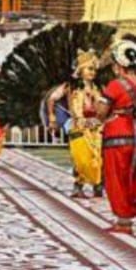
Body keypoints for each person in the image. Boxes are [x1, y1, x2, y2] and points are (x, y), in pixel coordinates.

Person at [48, 50, 103, 199]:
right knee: (81, 159)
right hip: (78, 126)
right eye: (89, 69)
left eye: (94, 69)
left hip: (95, 127)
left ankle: (98, 186)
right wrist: (52, 118)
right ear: (81, 70)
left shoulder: (96, 88)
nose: (93, 72)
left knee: (97, 157)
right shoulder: (70, 86)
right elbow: (52, 99)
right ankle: (78, 186)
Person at [96, 36, 136, 234]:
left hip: (117, 135)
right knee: (132, 177)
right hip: (133, 133)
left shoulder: (116, 85)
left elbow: (101, 112)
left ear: (119, 64)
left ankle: (123, 222)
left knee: (117, 178)